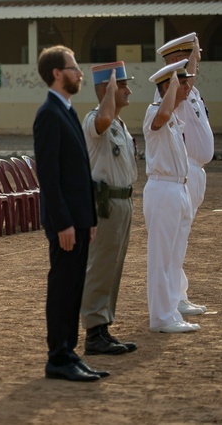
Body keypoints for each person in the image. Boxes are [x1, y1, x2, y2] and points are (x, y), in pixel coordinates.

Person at [33, 45, 107, 382]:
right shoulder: (49, 113)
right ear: (57, 74)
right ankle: (57, 356)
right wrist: (63, 222)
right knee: (63, 286)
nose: (79, 73)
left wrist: (88, 218)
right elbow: (49, 176)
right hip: (65, 223)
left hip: (78, 220)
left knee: (75, 285)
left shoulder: (66, 109)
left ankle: (70, 351)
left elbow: (80, 171)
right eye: (74, 68)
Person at [80, 62, 139, 355]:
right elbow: (101, 118)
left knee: (113, 267)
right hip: (104, 204)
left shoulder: (120, 125)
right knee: (100, 266)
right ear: (106, 91)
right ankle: (93, 333)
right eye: (122, 85)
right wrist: (109, 91)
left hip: (123, 201)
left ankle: (103, 327)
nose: (128, 91)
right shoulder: (95, 121)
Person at [157, 33, 214, 317]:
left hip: (196, 172)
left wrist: (190, 53)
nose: (197, 62)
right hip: (185, 171)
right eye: (193, 58)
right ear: (179, 62)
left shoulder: (190, 91)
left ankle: (179, 294)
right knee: (177, 239)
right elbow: (184, 80)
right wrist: (191, 52)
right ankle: (173, 298)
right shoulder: (175, 90)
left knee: (183, 237)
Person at [143, 57, 200, 334]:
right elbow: (161, 117)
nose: (187, 91)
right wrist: (172, 87)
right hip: (162, 188)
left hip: (177, 187)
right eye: (182, 85)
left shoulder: (174, 118)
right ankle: (161, 317)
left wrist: (179, 84)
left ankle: (171, 311)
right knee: (161, 259)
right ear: (167, 87)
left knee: (173, 257)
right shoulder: (155, 111)